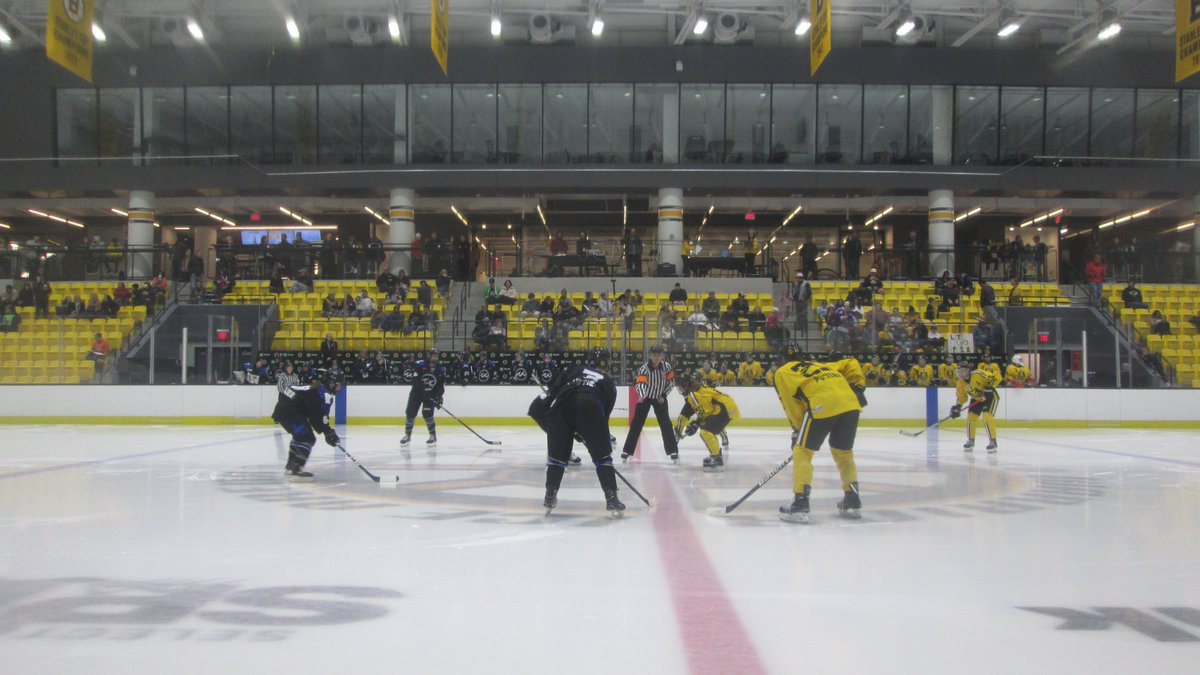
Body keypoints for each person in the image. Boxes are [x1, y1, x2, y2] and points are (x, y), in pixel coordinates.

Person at [773, 356, 867, 523]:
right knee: (844, 453)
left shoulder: (782, 372)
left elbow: (789, 403)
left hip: (821, 404)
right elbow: (852, 362)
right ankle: (852, 499)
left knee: (802, 451)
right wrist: (856, 387)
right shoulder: (823, 366)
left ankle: (800, 501)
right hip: (851, 404)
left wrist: (797, 429)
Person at [528, 362, 624, 517]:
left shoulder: (576, 368)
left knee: (557, 458)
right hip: (590, 405)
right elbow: (603, 418)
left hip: (561, 406)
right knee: (602, 457)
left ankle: (550, 494)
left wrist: (561, 432)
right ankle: (611, 498)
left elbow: (554, 389)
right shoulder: (609, 384)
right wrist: (594, 440)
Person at [271, 374, 340, 480]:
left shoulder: (317, 387)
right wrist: (328, 432)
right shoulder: (325, 394)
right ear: (332, 384)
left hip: (283, 409)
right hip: (291, 411)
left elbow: (313, 411)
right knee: (308, 438)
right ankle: (296, 469)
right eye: (338, 385)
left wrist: (326, 431)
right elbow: (321, 416)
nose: (339, 388)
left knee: (300, 437)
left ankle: (290, 466)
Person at [620, 345, 679, 463]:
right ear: (650, 356)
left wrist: (664, 395)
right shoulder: (644, 369)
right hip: (645, 397)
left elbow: (671, 383)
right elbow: (640, 384)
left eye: (659, 355)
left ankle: (673, 451)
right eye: (654, 355)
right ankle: (627, 451)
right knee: (636, 424)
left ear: (662, 355)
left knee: (666, 424)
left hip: (660, 398)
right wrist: (641, 395)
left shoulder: (667, 367)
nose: (656, 358)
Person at [674, 373, 740, 472]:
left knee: (706, 431)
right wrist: (696, 423)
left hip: (724, 408)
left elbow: (707, 411)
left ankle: (716, 459)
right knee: (708, 429)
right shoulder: (697, 391)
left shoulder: (693, 394)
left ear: (686, 386)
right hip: (726, 406)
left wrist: (696, 423)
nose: (680, 390)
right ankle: (716, 454)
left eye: (681, 387)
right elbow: (707, 410)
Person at [951, 362, 1001, 453]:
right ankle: (970, 440)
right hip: (977, 399)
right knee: (971, 417)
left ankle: (993, 441)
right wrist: (957, 407)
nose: (961, 374)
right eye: (959, 372)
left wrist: (990, 388)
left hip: (990, 397)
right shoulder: (960, 383)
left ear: (968, 370)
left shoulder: (978, 374)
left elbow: (996, 377)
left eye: (963, 371)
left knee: (986, 418)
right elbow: (962, 397)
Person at [400, 351, 446, 449]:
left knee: (427, 414)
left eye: (436, 356)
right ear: (429, 356)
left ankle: (433, 435)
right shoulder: (420, 365)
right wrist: (424, 391)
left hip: (430, 395)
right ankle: (407, 435)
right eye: (434, 356)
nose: (435, 358)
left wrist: (438, 397)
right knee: (410, 413)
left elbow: (440, 386)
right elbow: (416, 381)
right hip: (416, 394)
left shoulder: (440, 369)